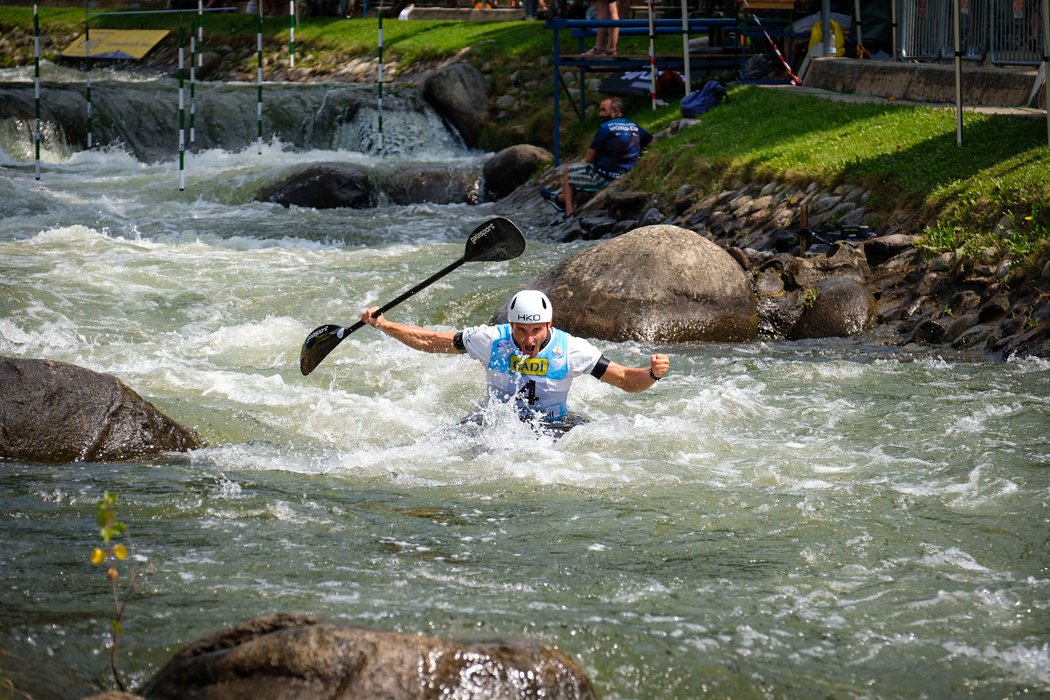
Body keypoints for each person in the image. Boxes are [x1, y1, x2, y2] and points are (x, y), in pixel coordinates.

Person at [360, 289, 670, 427]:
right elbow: (430, 340)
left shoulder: (573, 349)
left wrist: (652, 373)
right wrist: (385, 325)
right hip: (494, 421)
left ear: (549, 324)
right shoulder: (491, 340)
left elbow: (627, 381)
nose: (529, 339)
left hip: (554, 425)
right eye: (521, 330)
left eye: (537, 330)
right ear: (511, 325)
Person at [541, 97, 653, 217]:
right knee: (578, 174)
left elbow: (589, 158)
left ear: (616, 112)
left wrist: (585, 162)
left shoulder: (605, 128)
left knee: (567, 171)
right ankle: (559, 198)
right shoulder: (634, 126)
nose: (600, 114)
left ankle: (567, 211)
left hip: (605, 177)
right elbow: (653, 142)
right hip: (627, 175)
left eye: (603, 110)